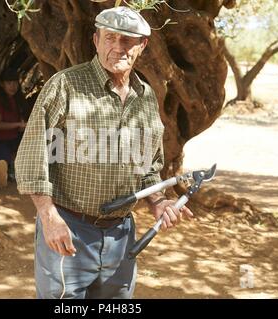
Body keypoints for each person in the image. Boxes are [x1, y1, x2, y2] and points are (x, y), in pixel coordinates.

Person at [15, 6, 194, 299]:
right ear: (96, 40)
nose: (118, 47)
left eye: (127, 41)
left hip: (121, 236)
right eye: (110, 38)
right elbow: (33, 154)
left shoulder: (145, 96)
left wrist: (158, 201)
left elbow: (148, 166)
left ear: (142, 46)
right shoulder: (65, 85)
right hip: (69, 227)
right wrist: (49, 217)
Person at [0, 68, 29, 188]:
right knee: (4, 156)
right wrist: (18, 124)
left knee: (21, 153)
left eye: (15, 83)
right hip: (0, 139)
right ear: (2, 84)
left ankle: (11, 169)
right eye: (9, 83)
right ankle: (3, 171)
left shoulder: (18, 100)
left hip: (15, 138)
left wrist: (22, 127)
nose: (13, 86)